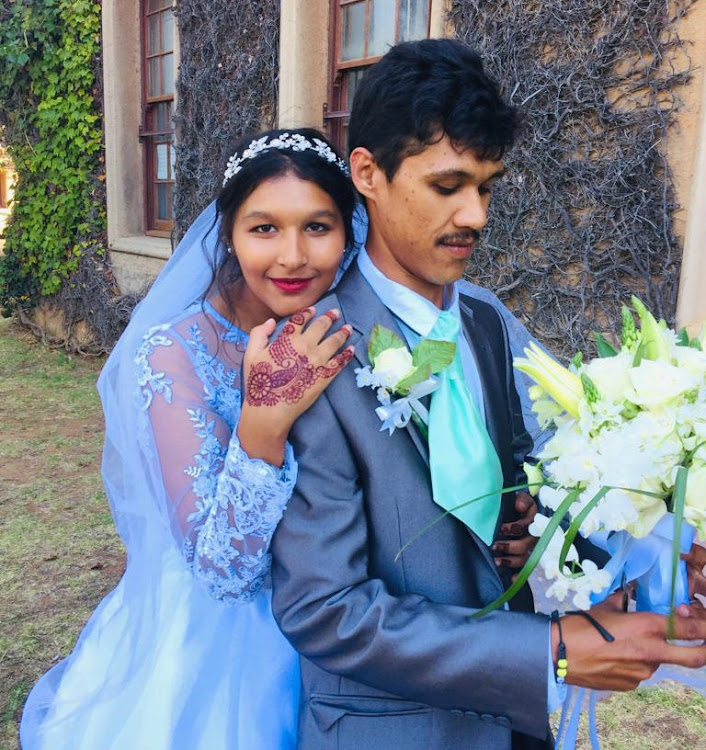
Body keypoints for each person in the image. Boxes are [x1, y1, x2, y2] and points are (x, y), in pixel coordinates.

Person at [269, 39, 706, 750]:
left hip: (514, 726)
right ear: (368, 174)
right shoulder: (310, 352)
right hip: (389, 732)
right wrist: (548, 654)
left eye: (488, 187)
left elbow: (561, 473)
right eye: (448, 186)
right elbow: (325, 610)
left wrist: (660, 548)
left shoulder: (486, 319)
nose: (475, 214)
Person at [19, 127, 358, 750]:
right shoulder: (173, 354)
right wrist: (263, 420)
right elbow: (223, 571)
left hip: (347, 624)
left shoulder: (355, 331)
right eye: (264, 228)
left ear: (349, 230)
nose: (292, 256)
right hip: (224, 651)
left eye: (317, 226)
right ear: (227, 234)